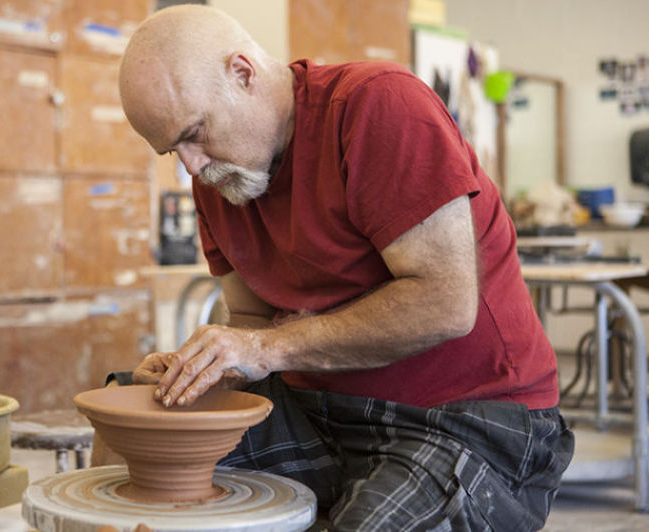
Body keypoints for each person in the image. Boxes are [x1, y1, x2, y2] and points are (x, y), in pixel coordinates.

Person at [118, 5, 574, 531]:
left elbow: (445, 305)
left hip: (468, 417)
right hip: (322, 411)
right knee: (136, 420)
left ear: (242, 73)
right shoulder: (218, 178)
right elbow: (250, 321)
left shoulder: (378, 105)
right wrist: (202, 366)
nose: (191, 165)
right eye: (172, 149)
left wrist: (266, 348)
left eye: (194, 132)